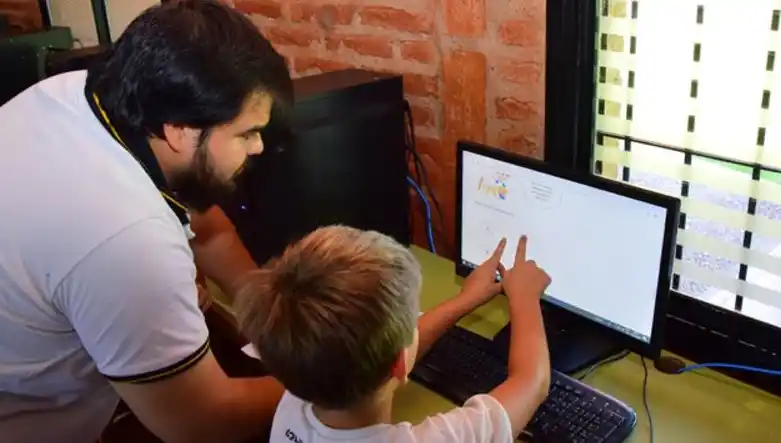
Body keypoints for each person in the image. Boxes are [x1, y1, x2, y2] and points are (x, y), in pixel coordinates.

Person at [0, 1, 294, 442]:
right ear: (179, 130)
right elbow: (201, 421)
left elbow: (202, 218)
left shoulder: (82, 95)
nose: (256, 148)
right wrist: (330, 388)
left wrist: (267, 307)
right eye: (245, 133)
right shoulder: (126, 237)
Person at [235, 226, 552, 443]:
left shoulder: (295, 399)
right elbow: (532, 382)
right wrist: (524, 295)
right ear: (400, 365)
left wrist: (464, 301)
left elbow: (379, 349)